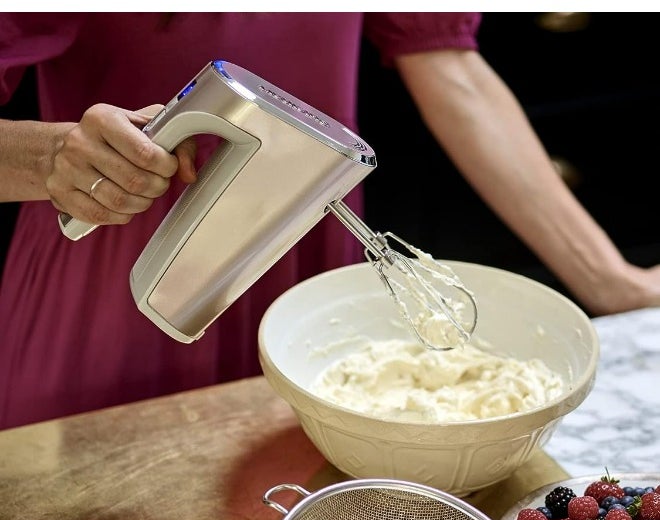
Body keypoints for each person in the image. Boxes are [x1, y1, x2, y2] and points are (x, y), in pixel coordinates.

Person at [1, 12, 659, 431]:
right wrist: (52, 155)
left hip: (309, 294)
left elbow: (449, 64)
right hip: (114, 296)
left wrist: (610, 282)